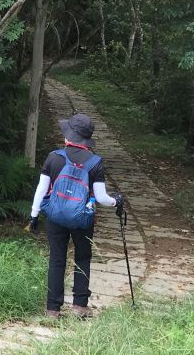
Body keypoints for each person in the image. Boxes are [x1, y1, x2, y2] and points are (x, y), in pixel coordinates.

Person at [28, 113, 124, 318]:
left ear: (69, 136)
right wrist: (116, 201)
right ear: (86, 140)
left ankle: (52, 310)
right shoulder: (95, 162)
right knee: (82, 257)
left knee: (56, 259)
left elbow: (41, 189)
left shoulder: (54, 157)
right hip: (82, 219)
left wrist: (34, 215)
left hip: (55, 216)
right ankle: (80, 307)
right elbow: (100, 197)